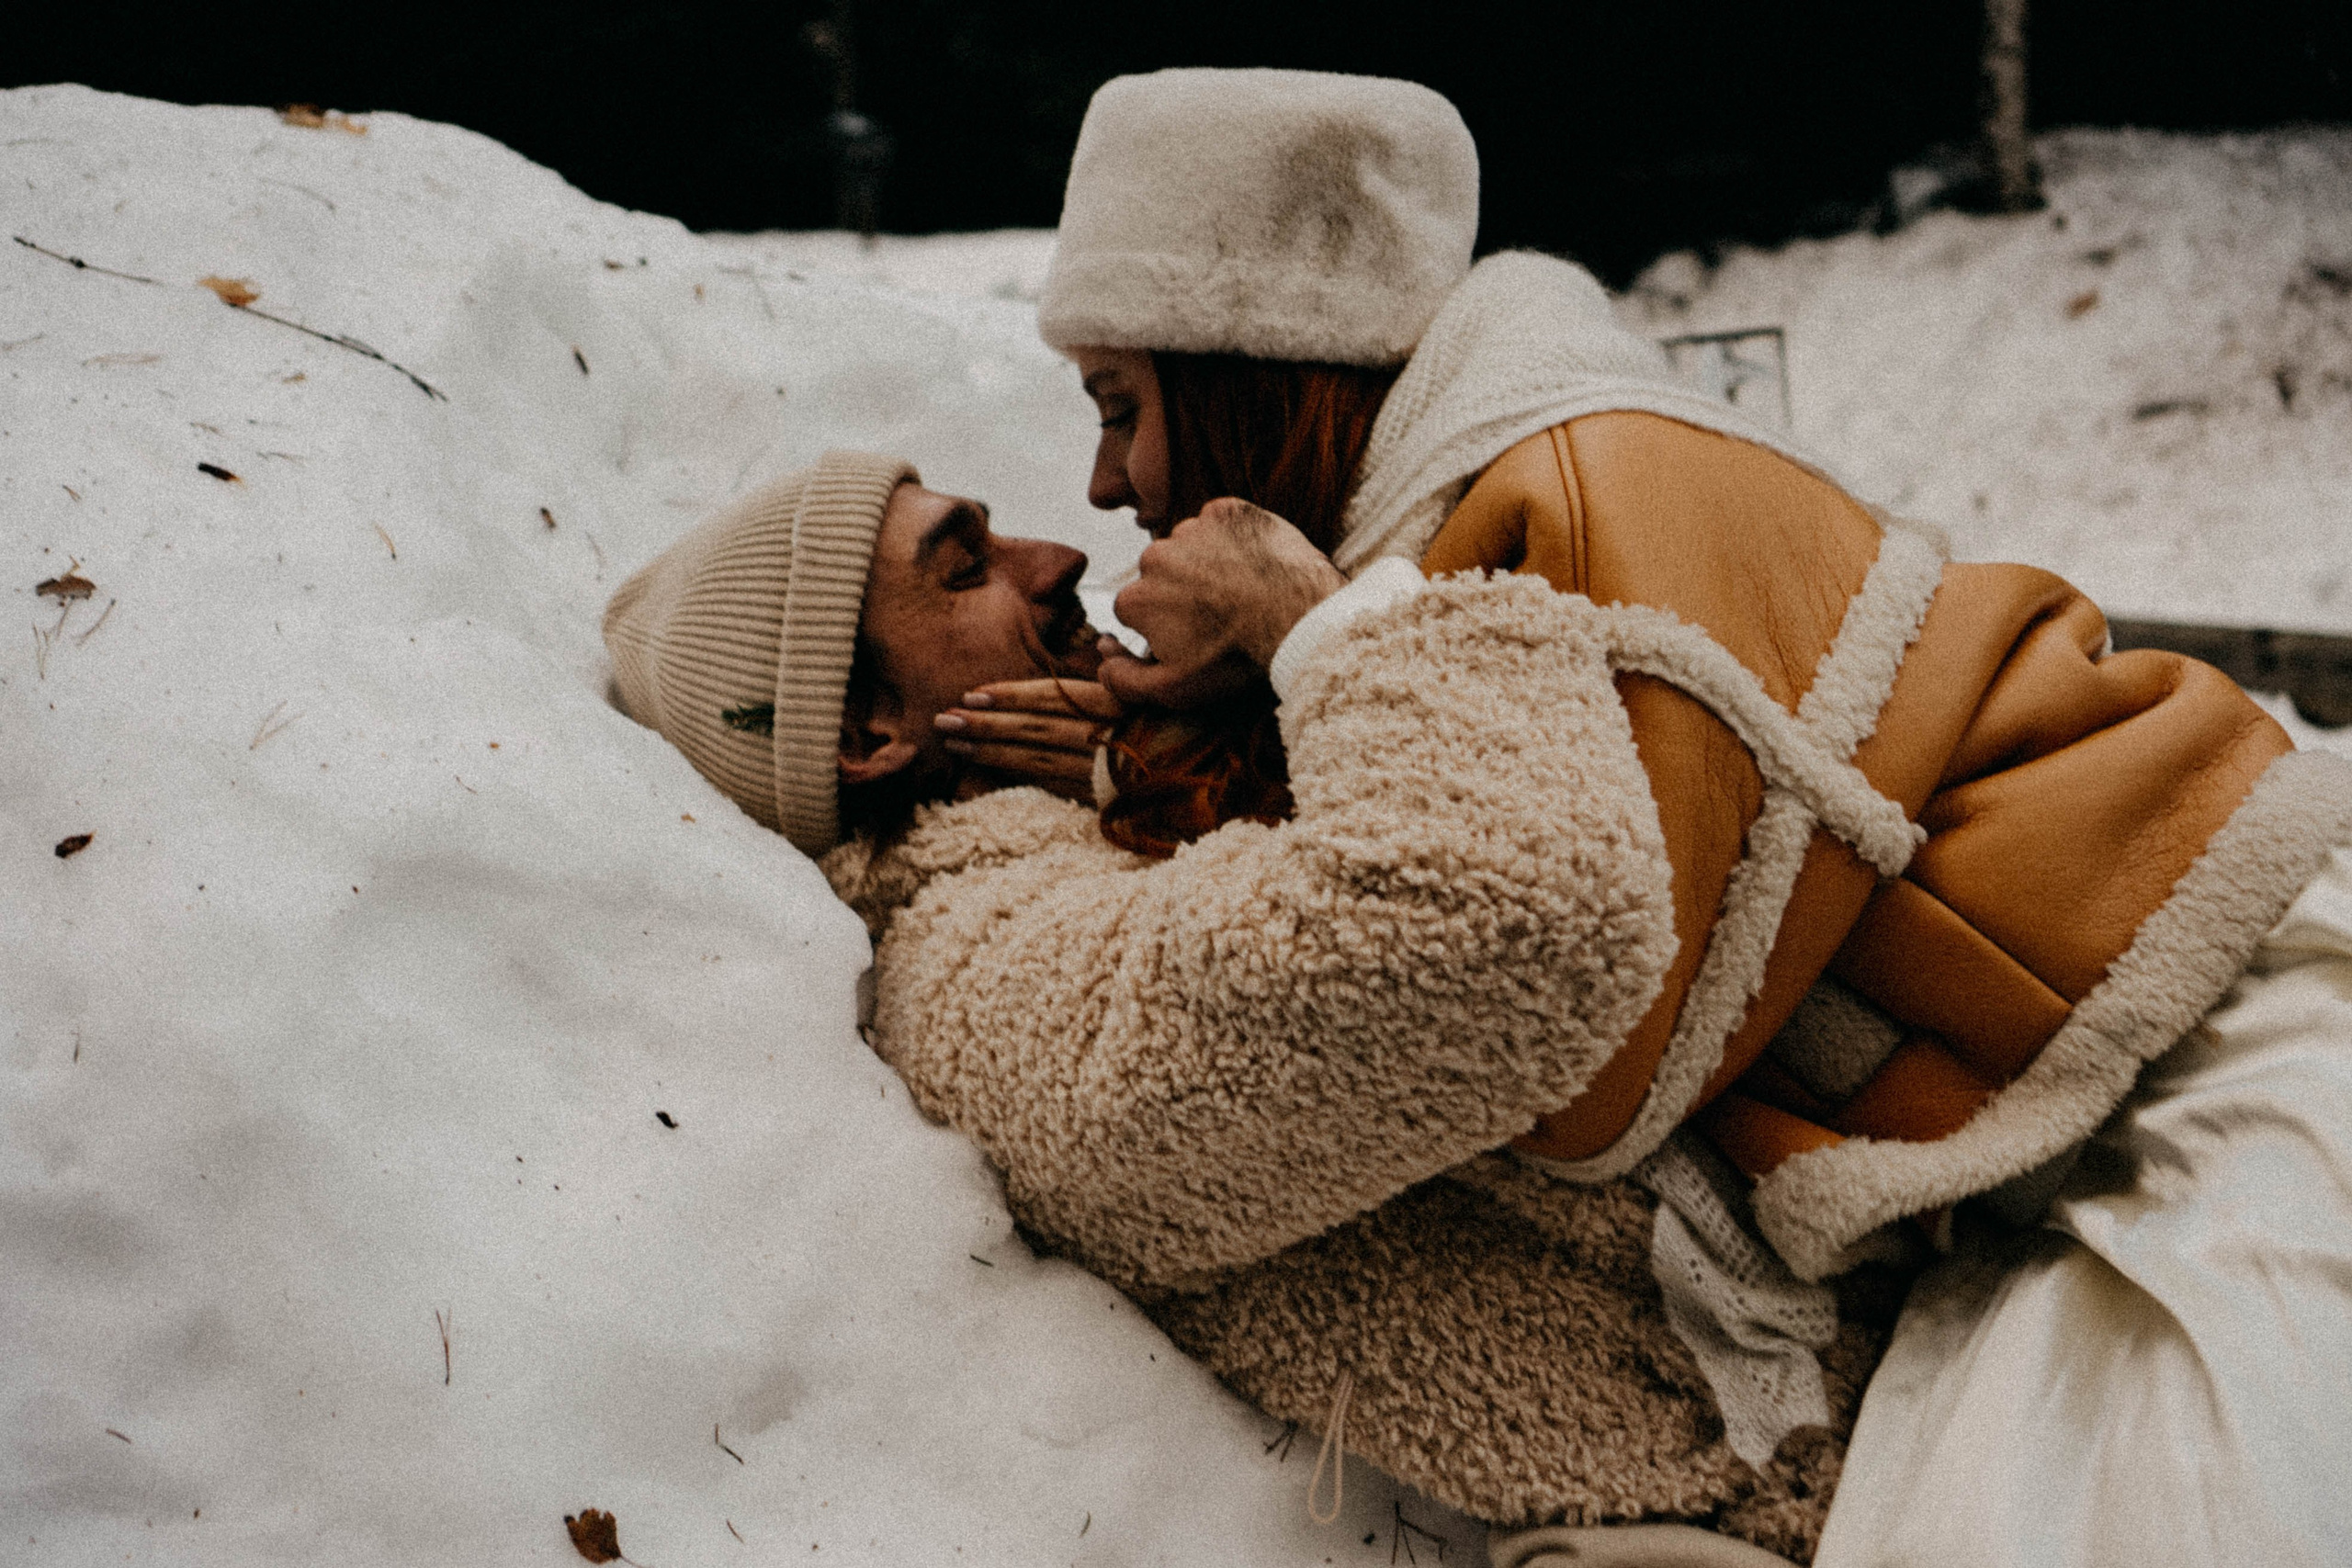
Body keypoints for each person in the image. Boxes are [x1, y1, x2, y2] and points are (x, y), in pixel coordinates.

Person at [923, 65, 2352, 1568]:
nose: (1103, 482)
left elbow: (1582, 1066)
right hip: (2043, 1091)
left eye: (1121, 407)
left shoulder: (1584, 488)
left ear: (1247, 368)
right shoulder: (1453, 501)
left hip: (2219, 1040)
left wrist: (1314, 641)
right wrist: (1215, 732)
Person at [605, 453, 1884, 1563]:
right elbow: (1510, 921)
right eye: (966, 569)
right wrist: (1317, 627)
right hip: (1825, 1498)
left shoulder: (1093, 838)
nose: (1057, 559)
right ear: (875, 733)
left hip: (1880, 1409)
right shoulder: (984, 978)